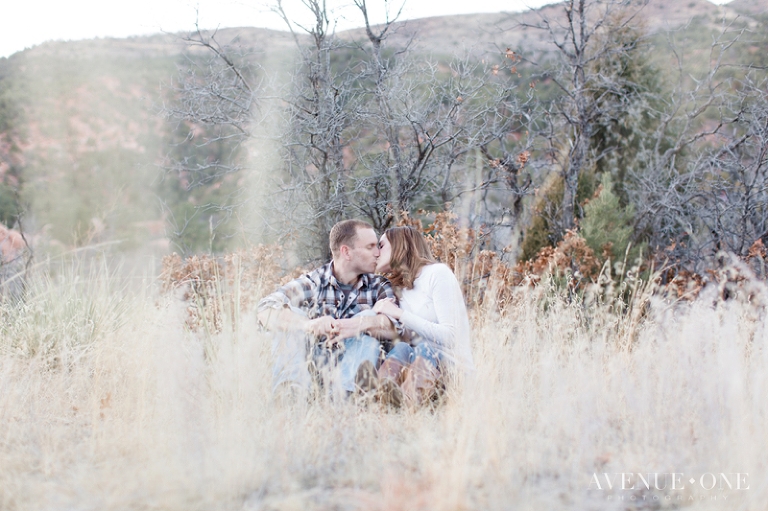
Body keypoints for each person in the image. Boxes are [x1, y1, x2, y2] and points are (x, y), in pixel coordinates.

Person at [257, 219, 400, 397]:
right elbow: (264, 310)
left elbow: (397, 326)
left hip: (350, 367)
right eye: (370, 247)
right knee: (291, 317)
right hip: (313, 366)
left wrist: (359, 324)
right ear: (346, 252)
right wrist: (309, 325)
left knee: (369, 323)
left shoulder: (379, 285)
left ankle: (344, 398)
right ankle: (291, 394)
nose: (378, 253)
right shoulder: (313, 282)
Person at [372, 226, 474, 407]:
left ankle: (410, 405)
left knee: (425, 348)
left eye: (381, 245)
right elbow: (407, 337)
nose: (376, 252)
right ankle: (383, 396)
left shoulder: (437, 273)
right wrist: (376, 316)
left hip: (455, 369)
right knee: (402, 347)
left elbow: (452, 337)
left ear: (399, 245)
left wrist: (399, 313)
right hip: (422, 367)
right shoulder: (401, 287)